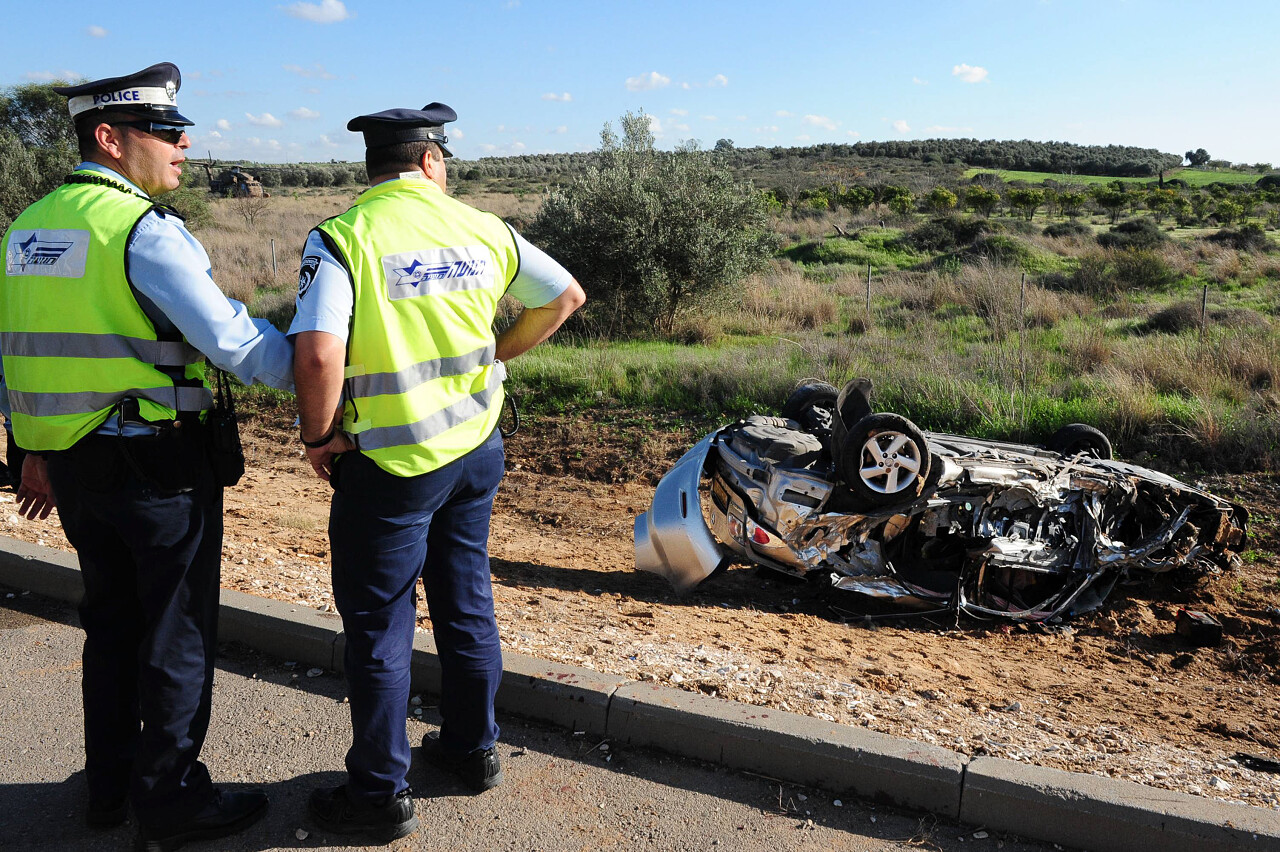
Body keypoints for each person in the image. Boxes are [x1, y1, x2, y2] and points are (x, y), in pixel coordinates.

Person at [0, 62, 294, 851]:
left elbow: (17, 352)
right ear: (110, 138)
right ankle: (169, 802)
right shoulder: (141, 231)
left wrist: (27, 449)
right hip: (157, 468)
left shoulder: (27, 229)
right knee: (176, 631)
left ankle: (110, 788)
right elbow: (234, 343)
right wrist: (318, 361)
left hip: (72, 468)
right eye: (166, 131)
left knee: (112, 624)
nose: (183, 144)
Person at [290, 103, 584, 842]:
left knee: (382, 627)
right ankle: (471, 750)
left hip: (389, 465)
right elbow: (565, 296)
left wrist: (319, 437)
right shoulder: (484, 229)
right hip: (475, 451)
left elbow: (319, 354)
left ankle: (380, 795)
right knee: (465, 598)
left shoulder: (342, 238)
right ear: (429, 161)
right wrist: (498, 353)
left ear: (374, 166)